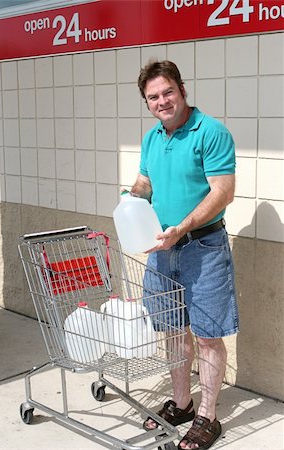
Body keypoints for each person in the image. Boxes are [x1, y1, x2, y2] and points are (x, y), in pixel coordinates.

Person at [130, 60, 239, 450]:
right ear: (147, 102)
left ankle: (208, 418)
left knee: (208, 336)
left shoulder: (211, 132)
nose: (163, 101)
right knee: (174, 331)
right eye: (153, 97)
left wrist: (183, 227)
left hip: (203, 248)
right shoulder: (151, 138)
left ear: (182, 90)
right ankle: (182, 404)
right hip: (162, 249)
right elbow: (145, 182)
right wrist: (128, 200)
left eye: (167, 92)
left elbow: (222, 191)